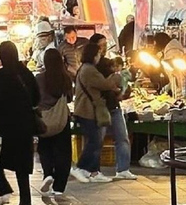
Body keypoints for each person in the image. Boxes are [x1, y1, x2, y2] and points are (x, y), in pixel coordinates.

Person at [0, 41, 40, 205]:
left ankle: (3, 187)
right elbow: (36, 97)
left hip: (6, 126)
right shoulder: (26, 73)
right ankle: (26, 200)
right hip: (25, 125)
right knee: (21, 166)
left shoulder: (1, 76)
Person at [89, 33, 137, 181]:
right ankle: (94, 171)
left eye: (105, 45)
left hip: (113, 106)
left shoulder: (107, 63)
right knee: (98, 140)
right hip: (100, 107)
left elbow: (118, 82)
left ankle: (123, 168)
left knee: (122, 137)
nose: (104, 48)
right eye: (101, 45)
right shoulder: (92, 67)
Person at [71, 43, 121, 184]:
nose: (100, 57)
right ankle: (80, 168)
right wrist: (116, 76)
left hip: (87, 110)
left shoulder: (85, 69)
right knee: (94, 141)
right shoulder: (89, 70)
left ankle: (93, 172)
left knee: (95, 141)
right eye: (98, 54)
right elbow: (105, 84)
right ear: (93, 55)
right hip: (87, 110)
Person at [36, 48, 73, 197]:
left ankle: (48, 174)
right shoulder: (66, 78)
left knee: (45, 148)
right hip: (61, 119)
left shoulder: (39, 78)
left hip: (43, 119)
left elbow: (34, 97)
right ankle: (59, 187)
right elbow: (69, 98)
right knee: (63, 152)